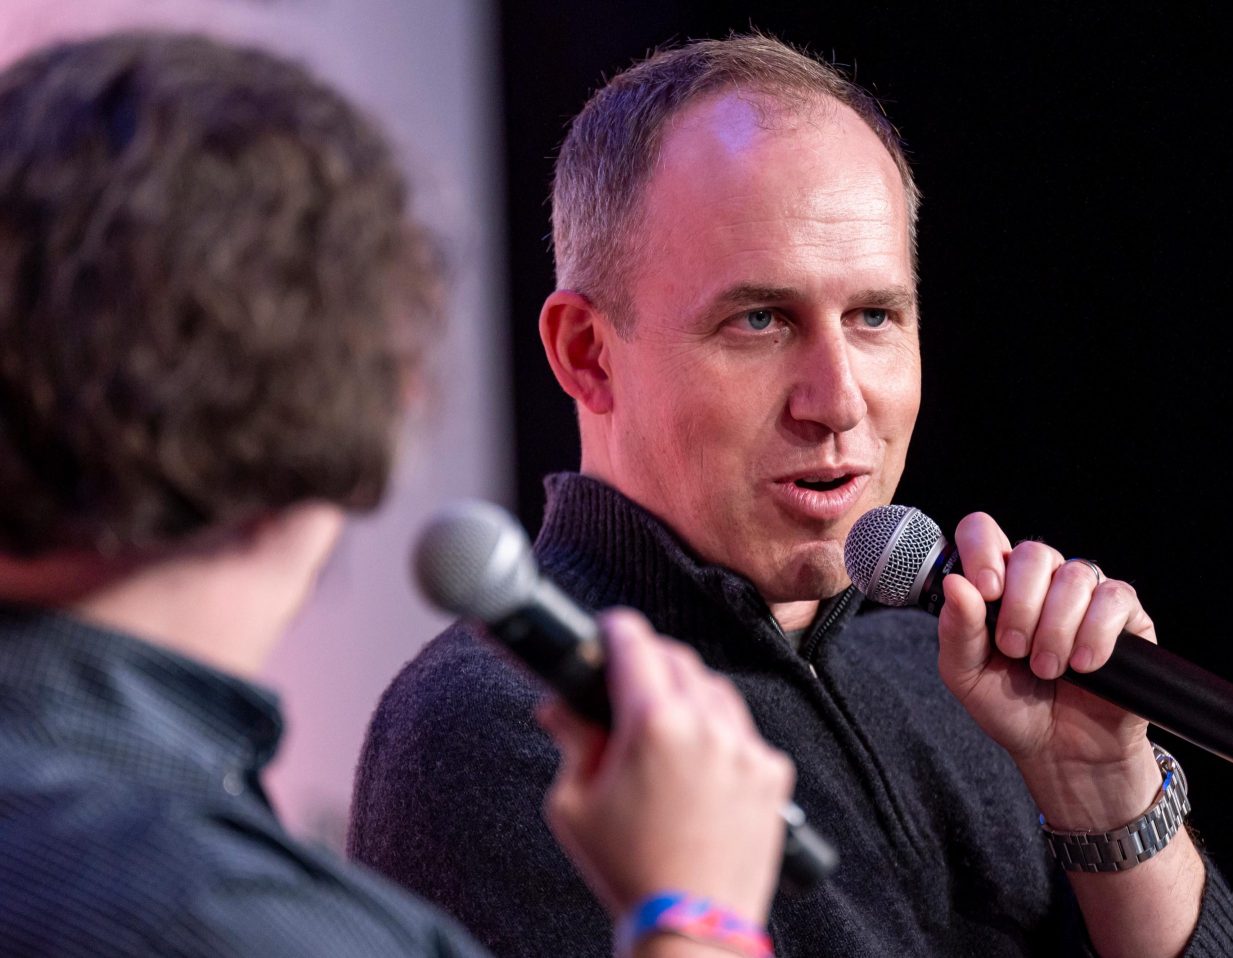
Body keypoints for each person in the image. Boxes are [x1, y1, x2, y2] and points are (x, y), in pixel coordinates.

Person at [349, 34, 1233, 958]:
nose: (836, 401)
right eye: (759, 320)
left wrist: (1108, 800)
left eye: (874, 316)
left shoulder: (961, 680)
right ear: (587, 354)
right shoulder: (510, 724)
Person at [0, 32, 795, 958]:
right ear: (371, 400)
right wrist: (698, 921)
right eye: (760, 320)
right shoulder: (251, 924)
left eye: (876, 316)